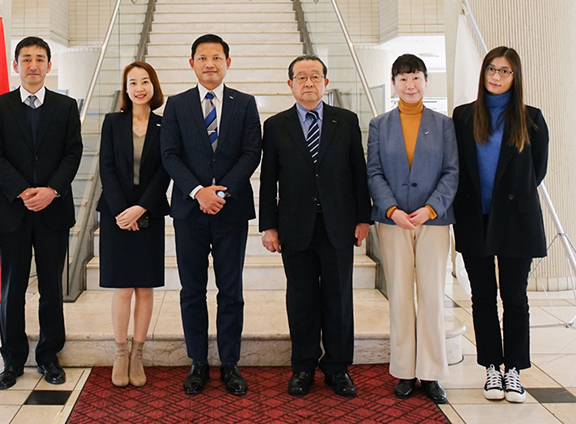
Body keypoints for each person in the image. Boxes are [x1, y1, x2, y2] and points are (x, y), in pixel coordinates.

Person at [259, 56, 371, 398]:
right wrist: (269, 226)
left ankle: (338, 368)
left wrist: (363, 218)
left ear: (326, 82)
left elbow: (358, 173)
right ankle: (303, 366)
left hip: (338, 224)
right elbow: (268, 181)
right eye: (301, 77)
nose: (309, 83)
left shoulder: (346, 121)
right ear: (290, 84)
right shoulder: (276, 126)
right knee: (302, 299)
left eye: (315, 77)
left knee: (339, 299)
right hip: (295, 227)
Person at [161, 34, 262, 396]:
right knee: (191, 290)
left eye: (216, 57)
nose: (209, 64)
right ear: (191, 63)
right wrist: (198, 191)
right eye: (202, 58)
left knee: (231, 290)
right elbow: (170, 154)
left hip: (230, 210)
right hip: (189, 211)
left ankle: (230, 363)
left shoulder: (245, 103)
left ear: (228, 63)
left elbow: (252, 152)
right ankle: (198, 362)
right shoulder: (176, 104)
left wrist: (221, 191)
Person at [0, 37, 83, 390]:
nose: (33, 65)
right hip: (13, 209)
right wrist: (23, 190)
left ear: (49, 65)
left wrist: (51, 190)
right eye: (26, 59)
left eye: (40, 58)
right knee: (11, 288)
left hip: (53, 210)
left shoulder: (66, 106)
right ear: (16, 66)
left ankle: (48, 356)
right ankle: (12, 359)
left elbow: (73, 153)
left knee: (51, 287)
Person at [452, 46, 548, 404]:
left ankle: (514, 370)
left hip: (516, 220)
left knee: (515, 297)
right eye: (491, 69)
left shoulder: (531, 118)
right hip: (474, 218)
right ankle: (492, 366)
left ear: (515, 76)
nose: (496, 76)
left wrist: (508, 200)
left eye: (504, 71)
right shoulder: (463, 117)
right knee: (482, 297)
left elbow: (536, 171)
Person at [367, 54, 458, 405]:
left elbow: (452, 171)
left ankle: (432, 373)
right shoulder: (380, 124)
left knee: (433, 297)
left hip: (433, 220)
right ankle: (405, 371)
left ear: (425, 81)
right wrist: (391, 208)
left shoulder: (443, 124)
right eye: (402, 79)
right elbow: (373, 171)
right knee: (401, 297)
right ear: (393, 84)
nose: (409, 85)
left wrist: (431, 207)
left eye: (416, 78)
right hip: (392, 222)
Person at [97, 61, 170, 388]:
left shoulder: (165, 125)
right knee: (123, 287)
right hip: (116, 215)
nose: (139, 87)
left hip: (149, 213)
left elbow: (165, 171)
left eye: (145, 81)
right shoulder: (113, 122)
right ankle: (120, 352)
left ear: (153, 86)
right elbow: (107, 167)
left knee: (144, 287)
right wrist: (122, 211)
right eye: (132, 83)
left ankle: (138, 353)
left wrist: (140, 208)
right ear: (125, 89)